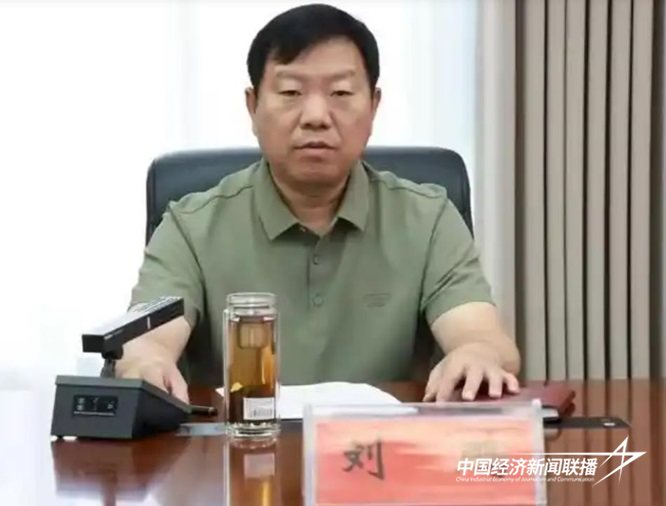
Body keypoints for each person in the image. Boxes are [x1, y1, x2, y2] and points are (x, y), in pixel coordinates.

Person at [117, 3, 521, 404]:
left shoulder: (428, 219)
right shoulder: (190, 226)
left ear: (374, 106)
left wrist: (477, 353)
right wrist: (146, 361)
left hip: (387, 444)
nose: (315, 116)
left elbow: (482, 337)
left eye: (341, 93)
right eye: (290, 92)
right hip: (238, 442)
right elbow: (146, 342)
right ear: (253, 107)